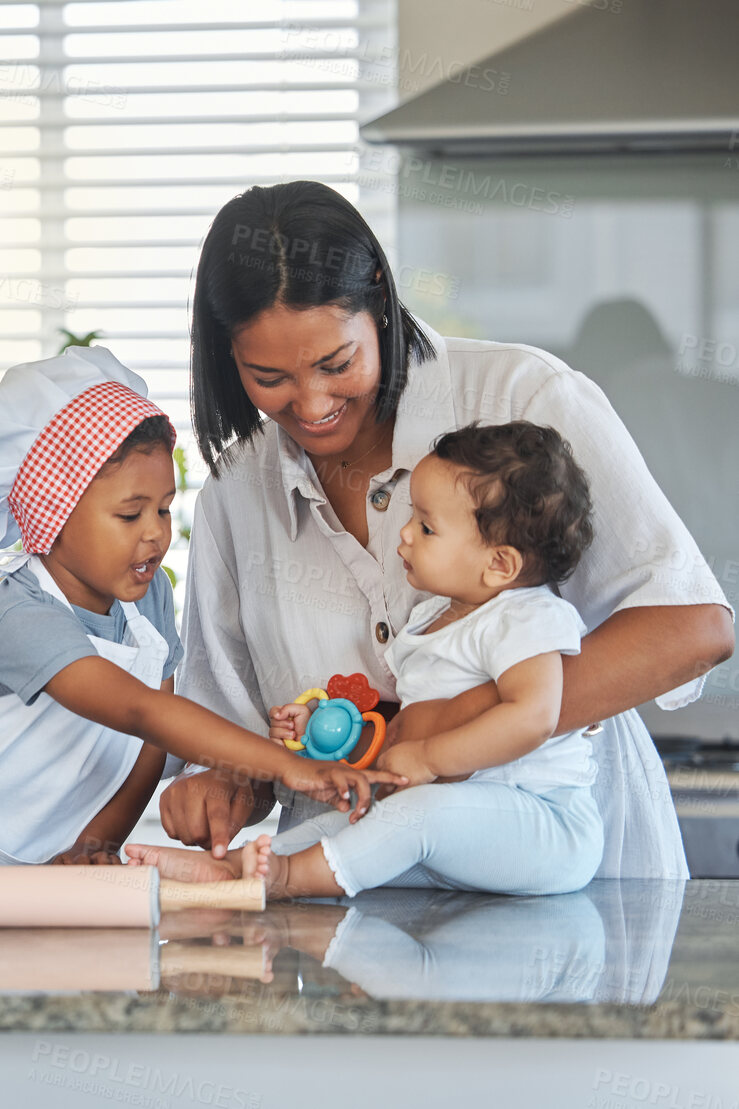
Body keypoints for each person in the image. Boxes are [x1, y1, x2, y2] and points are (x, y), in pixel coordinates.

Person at [159, 181, 733, 878]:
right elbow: (233, 734)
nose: (311, 404)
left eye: (336, 364)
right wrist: (227, 782)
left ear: (376, 295)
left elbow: (690, 627)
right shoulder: (233, 494)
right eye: (268, 376)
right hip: (346, 917)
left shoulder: (522, 397)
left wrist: (445, 730)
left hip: (568, 893)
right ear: (227, 355)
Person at [0, 346, 402, 866]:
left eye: (163, 508)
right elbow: (143, 712)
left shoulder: (147, 597)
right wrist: (292, 768)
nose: (157, 533)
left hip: (47, 859)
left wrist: (94, 846)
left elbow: (147, 750)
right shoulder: (26, 617)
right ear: (52, 516)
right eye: (130, 515)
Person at [132, 422, 603, 898]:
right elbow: (405, 730)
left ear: (499, 564)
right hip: (457, 824)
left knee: (411, 814)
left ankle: (287, 879)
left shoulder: (527, 616)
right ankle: (229, 869)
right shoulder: (430, 621)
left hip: (544, 822)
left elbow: (535, 717)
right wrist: (331, 728)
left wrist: (428, 757)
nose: (404, 534)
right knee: (351, 817)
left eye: (426, 526)